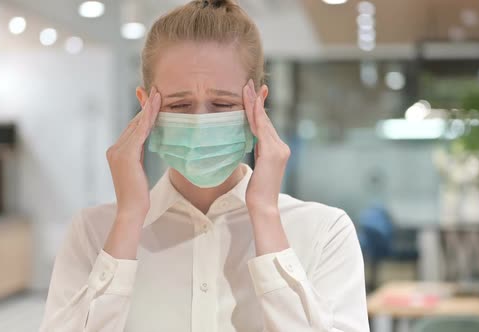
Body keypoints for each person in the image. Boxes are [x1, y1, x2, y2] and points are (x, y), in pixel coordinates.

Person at [40, 1, 369, 331]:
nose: (199, 122)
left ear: (258, 105)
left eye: (222, 104)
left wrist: (266, 215)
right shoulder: (93, 232)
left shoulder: (325, 232)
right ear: (145, 108)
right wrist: (128, 221)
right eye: (179, 104)